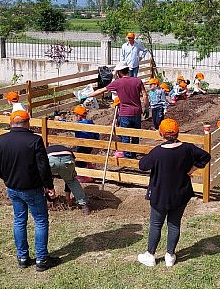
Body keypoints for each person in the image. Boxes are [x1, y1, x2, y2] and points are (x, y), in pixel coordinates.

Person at [0, 110, 60, 272]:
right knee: (41, 221)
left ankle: (22, 257)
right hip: (33, 189)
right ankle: (42, 259)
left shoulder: (0, 140)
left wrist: (7, 178)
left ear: (11, 123)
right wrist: (49, 186)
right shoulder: (35, 140)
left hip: (13, 188)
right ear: (28, 122)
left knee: (19, 220)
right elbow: (43, 167)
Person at [137, 118, 211, 267]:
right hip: (180, 194)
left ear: (161, 134)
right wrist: (192, 169)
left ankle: (150, 255)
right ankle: (170, 255)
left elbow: (142, 165)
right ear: (178, 132)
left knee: (156, 224)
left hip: (160, 195)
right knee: (174, 224)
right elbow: (205, 156)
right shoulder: (188, 148)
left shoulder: (157, 152)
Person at [87, 62, 148, 159]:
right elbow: (144, 95)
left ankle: (128, 156)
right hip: (137, 112)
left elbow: (101, 90)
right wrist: (147, 107)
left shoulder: (117, 83)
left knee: (125, 135)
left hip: (125, 113)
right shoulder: (137, 80)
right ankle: (134, 153)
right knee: (136, 134)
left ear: (119, 72)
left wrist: (87, 96)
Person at [45, 143, 91, 215]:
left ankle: (49, 201)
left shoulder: (45, 151)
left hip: (51, 159)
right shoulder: (66, 149)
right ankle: (84, 206)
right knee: (71, 180)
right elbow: (68, 179)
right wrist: (68, 197)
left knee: (44, 179)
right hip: (67, 158)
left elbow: (46, 178)